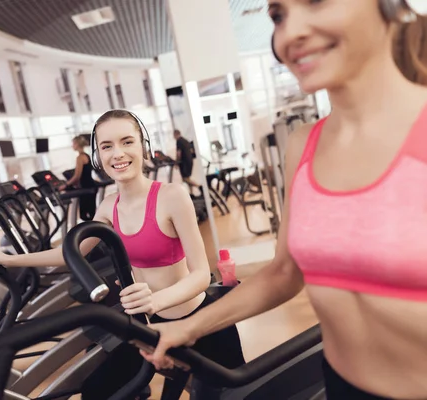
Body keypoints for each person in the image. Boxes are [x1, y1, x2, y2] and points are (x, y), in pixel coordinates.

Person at [139, 2, 427, 399]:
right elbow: (284, 271)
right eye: (278, 16)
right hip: (343, 385)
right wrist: (188, 327)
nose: (290, 34)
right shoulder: (304, 144)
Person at [0, 109, 245, 399]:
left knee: (230, 393)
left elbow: (201, 275)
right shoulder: (108, 206)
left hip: (196, 320)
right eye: (107, 146)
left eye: (127, 142)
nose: (117, 153)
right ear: (97, 157)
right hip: (149, 326)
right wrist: (9, 260)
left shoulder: (171, 196)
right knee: (97, 391)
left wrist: (155, 300)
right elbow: (70, 253)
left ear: (143, 146)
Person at [59, 136, 97, 221]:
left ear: (77, 144)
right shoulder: (86, 156)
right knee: (92, 214)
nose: (72, 146)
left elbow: (77, 176)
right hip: (90, 186)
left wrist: (65, 185)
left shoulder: (80, 158)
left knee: (85, 215)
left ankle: (96, 232)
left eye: (73, 144)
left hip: (86, 188)